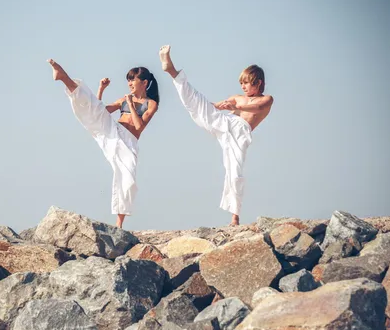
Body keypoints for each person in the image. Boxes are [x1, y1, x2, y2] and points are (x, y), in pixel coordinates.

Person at [158, 45, 273, 225]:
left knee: (234, 172)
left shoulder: (266, 99)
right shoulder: (237, 97)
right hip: (225, 121)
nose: (243, 86)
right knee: (196, 103)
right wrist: (207, 104)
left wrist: (236, 107)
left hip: (240, 132)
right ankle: (172, 72)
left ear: (258, 83)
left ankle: (234, 216)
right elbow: (217, 106)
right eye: (241, 83)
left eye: (246, 83)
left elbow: (258, 108)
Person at [47, 59, 159, 228]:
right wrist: (101, 89)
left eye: (132, 80)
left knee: (127, 181)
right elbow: (100, 110)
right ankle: (64, 78)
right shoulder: (123, 98)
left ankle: (119, 224)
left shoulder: (151, 104)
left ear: (144, 83)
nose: (129, 83)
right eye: (128, 80)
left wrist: (130, 104)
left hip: (129, 142)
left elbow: (139, 126)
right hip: (114, 131)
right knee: (92, 110)